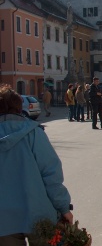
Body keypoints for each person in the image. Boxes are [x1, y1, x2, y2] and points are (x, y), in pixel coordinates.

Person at [0, 84, 73, 245]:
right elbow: (51, 175)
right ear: (19, 107)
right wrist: (64, 208)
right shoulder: (33, 133)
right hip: (37, 214)